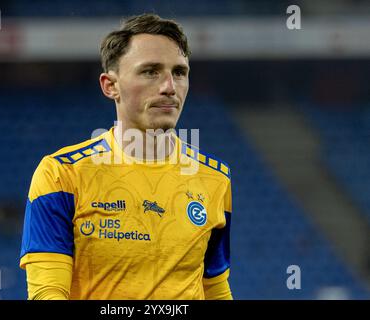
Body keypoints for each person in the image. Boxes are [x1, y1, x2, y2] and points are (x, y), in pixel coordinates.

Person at [19, 13, 233, 300]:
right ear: (111, 86)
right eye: (150, 71)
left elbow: (215, 288)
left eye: (179, 72)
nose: (169, 86)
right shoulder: (61, 175)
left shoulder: (215, 179)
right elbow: (47, 294)